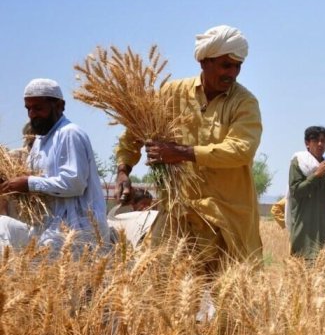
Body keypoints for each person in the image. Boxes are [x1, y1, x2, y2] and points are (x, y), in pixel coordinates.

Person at [115, 25, 263, 265]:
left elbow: (241, 150)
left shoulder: (245, 103)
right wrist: (123, 170)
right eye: (226, 65)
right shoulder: (171, 93)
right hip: (178, 215)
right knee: (166, 291)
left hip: (225, 219)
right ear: (204, 61)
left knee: (230, 297)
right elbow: (135, 129)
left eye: (238, 66)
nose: (233, 73)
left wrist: (180, 153)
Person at [0, 79, 108, 252]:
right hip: (49, 230)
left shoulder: (70, 133)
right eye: (28, 109)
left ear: (59, 106)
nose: (32, 114)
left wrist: (28, 183)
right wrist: (10, 183)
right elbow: (38, 182)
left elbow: (75, 183)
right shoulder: (39, 141)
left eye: (38, 108)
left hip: (78, 231)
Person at [286, 126, 325, 259]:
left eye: (323, 141)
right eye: (315, 140)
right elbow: (296, 191)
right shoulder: (299, 162)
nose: (320, 144)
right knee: (306, 271)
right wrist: (316, 175)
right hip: (306, 233)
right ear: (307, 143)